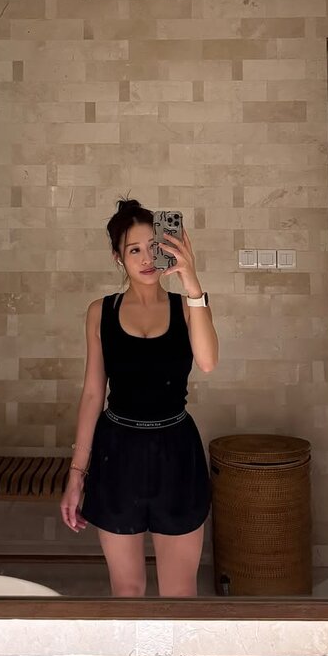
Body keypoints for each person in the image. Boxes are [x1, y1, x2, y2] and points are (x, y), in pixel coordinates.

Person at [60, 197, 219, 597]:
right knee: (126, 591)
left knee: (179, 592)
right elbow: (93, 394)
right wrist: (76, 474)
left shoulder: (189, 306)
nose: (147, 258)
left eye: (154, 246)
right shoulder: (100, 312)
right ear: (118, 258)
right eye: (134, 250)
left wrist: (192, 280)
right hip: (118, 454)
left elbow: (208, 361)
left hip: (176, 453)